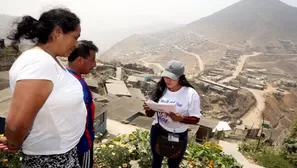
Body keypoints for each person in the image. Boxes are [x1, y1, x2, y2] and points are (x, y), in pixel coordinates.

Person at [0, 8, 86, 167]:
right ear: (57, 32)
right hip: (49, 160)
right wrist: (14, 142)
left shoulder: (49, 59)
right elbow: (16, 124)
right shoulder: (38, 63)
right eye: (75, 37)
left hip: (61, 154)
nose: (76, 44)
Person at [143, 60, 201, 168]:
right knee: (156, 161)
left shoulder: (190, 94)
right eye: (165, 76)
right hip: (158, 130)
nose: (167, 80)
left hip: (178, 134)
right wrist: (149, 108)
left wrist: (181, 118)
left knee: (173, 165)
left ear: (181, 77)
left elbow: (196, 119)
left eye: (172, 78)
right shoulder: (160, 89)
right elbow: (149, 115)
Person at [67, 40, 98, 168]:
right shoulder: (78, 85)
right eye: (92, 60)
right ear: (80, 60)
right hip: (82, 144)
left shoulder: (66, 77)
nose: (95, 64)